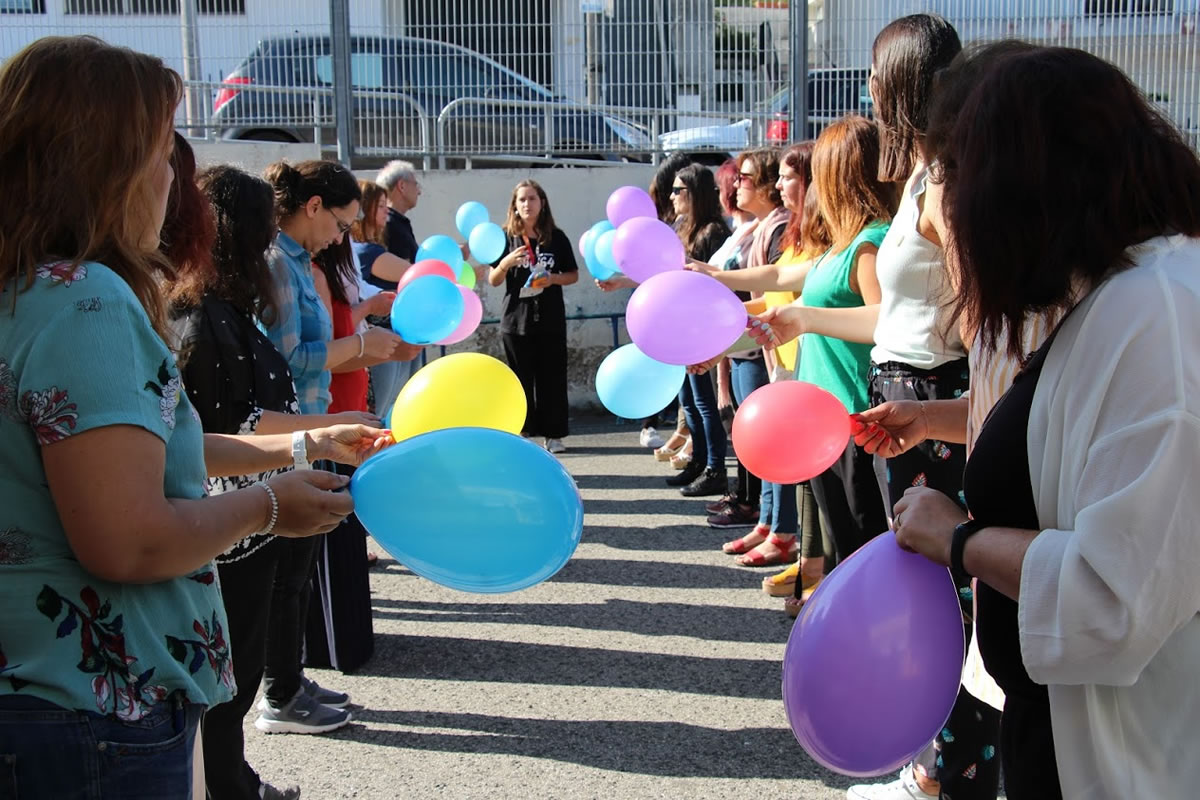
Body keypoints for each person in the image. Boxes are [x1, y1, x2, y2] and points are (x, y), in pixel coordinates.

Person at [0, 36, 384, 798]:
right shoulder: (88, 304)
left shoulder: (25, 289)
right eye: (158, 149)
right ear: (101, 161)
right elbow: (129, 539)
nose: (175, 179)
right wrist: (271, 505)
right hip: (94, 711)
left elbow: (136, 449)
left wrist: (304, 440)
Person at [876, 43, 1200, 799]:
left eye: (954, 175)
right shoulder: (1106, 298)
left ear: (1023, 180)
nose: (941, 210)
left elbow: (1113, 596)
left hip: (1128, 748)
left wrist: (959, 540)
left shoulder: (1155, 313)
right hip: (1058, 721)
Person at [168, 162, 382, 800]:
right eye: (263, 227)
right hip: (226, 529)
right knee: (223, 679)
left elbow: (240, 420)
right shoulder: (200, 316)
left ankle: (232, 777)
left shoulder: (225, 308)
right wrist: (315, 437)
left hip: (247, 520)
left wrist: (321, 435)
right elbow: (218, 430)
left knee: (235, 673)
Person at [258, 158, 402, 736]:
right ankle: (279, 691)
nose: (343, 237)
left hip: (312, 424)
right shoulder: (278, 263)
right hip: (292, 431)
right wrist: (361, 343)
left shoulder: (298, 261)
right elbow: (291, 357)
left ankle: (289, 678)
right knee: (286, 570)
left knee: (299, 567)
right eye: (343, 224)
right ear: (313, 207)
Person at [487, 180, 579, 453]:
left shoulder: (557, 237)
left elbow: (573, 274)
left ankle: (554, 435)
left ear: (542, 203)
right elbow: (493, 280)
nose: (528, 204)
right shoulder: (505, 238)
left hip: (550, 319)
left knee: (552, 379)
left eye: (533, 199)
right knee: (520, 380)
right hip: (516, 322)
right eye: (522, 200)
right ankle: (523, 432)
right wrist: (505, 263)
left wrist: (552, 279)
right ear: (514, 206)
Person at [662, 164, 732, 497]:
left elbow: (713, 283)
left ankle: (715, 468)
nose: (672, 196)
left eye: (679, 190)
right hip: (681, 326)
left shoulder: (713, 232)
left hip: (701, 328)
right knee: (688, 401)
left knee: (704, 403)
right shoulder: (681, 226)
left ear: (696, 193)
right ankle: (699, 461)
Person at [367, 160, 424, 417]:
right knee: (384, 408)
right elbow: (411, 271)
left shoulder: (399, 224)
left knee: (398, 405)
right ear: (401, 185)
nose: (419, 190)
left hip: (402, 327)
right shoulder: (384, 233)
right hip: (385, 329)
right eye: (415, 183)